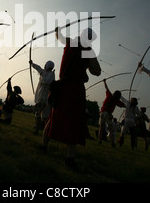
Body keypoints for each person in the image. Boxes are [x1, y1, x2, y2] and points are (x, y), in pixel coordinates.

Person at [40, 27, 101, 170]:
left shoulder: (70, 42)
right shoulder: (88, 50)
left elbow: (59, 36)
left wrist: (57, 31)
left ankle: (43, 146)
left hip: (61, 87)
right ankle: (69, 158)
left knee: (54, 117)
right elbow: (96, 71)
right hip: (74, 90)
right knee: (73, 121)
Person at [30, 59, 55, 134]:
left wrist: (41, 74)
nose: (44, 65)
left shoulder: (51, 74)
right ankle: (37, 130)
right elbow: (38, 68)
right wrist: (32, 64)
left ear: (48, 66)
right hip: (40, 97)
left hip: (45, 98)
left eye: (46, 64)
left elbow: (47, 81)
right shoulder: (44, 71)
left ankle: (48, 132)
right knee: (37, 114)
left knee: (45, 117)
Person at [98, 79, 125, 147]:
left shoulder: (109, 95)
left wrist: (104, 82)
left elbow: (106, 87)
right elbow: (123, 105)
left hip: (102, 113)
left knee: (101, 128)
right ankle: (112, 143)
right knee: (111, 129)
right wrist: (127, 104)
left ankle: (99, 140)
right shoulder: (116, 100)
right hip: (107, 114)